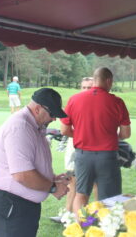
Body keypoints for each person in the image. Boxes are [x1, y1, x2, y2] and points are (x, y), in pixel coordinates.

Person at [0, 88, 70, 237]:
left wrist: (51, 178)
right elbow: (22, 175)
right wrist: (53, 187)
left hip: (19, 205)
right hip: (10, 204)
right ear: (37, 109)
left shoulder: (35, 125)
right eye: (52, 114)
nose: (54, 119)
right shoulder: (20, 127)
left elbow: (30, 163)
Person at [60, 67, 131, 219]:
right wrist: (108, 136)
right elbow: (126, 134)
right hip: (108, 157)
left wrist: (80, 134)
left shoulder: (74, 99)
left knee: (81, 194)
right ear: (109, 81)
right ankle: (105, 230)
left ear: (94, 80)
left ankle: (81, 229)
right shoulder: (117, 102)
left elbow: (64, 130)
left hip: (82, 155)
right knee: (108, 198)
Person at [51, 77, 98, 223]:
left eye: (89, 87)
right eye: (83, 87)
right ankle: (67, 214)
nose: (86, 90)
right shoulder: (75, 103)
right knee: (72, 182)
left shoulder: (100, 105)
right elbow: (65, 128)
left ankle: (95, 215)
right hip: (74, 150)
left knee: (96, 184)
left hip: (95, 151)